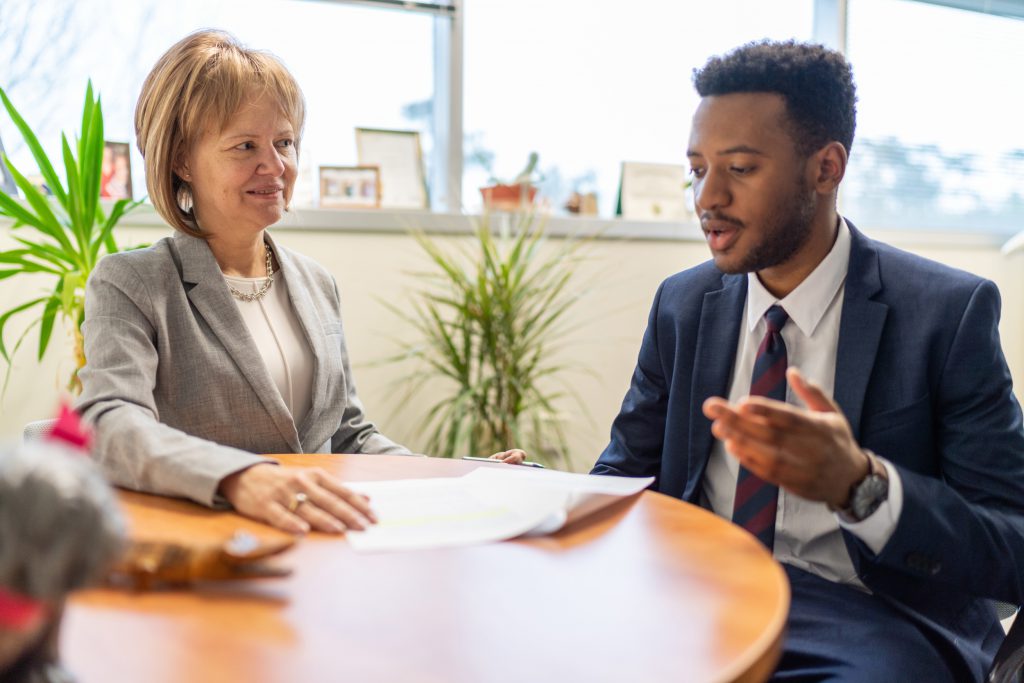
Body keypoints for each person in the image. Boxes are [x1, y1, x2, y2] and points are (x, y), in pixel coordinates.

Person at [592, 40, 1024, 681]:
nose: (707, 198)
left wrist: (862, 486)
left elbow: (1011, 544)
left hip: (873, 613)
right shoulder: (684, 304)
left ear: (826, 169)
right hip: (699, 590)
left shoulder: (945, 313)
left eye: (739, 169)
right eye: (697, 169)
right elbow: (624, 474)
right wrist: (535, 495)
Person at [76, 30, 523, 537]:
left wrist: (454, 476)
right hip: (213, 546)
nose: (276, 165)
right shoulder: (132, 281)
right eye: (246, 145)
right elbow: (109, 421)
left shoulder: (316, 283)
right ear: (181, 161)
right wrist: (240, 478)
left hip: (322, 542)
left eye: (284, 142)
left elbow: (348, 435)